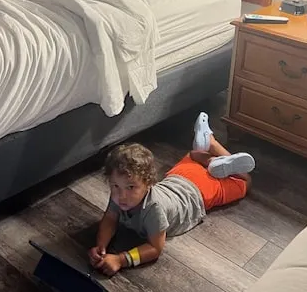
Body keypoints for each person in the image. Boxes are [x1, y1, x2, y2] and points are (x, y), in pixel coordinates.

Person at [88, 112, 255, 276]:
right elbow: (110, 217)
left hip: (200, 192)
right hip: (179, 175)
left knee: (245, 181)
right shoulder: (118, 196)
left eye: (130, 187)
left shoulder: (153, 208)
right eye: (115, 186)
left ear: (149, 184)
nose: (121, 195)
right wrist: (101, 246)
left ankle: (212, 147)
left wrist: (120, 260)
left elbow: (155, 248)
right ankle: (210, 153)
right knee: (192, 156)